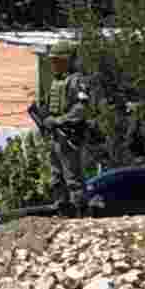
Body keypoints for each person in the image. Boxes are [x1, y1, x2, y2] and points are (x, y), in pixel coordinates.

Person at [40, 41, 89, 218]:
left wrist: (59, 120)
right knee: (56, 177)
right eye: (52, 61)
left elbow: (81, 110)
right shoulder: (55, 82)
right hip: (55, 136)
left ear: (67, 61)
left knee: (72, 178)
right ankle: (62, 210)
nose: (53, 64)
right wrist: (45, 119)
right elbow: (49, 107)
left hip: (69, 135)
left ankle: (80, 213)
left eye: (57, 61)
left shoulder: (77, 81)